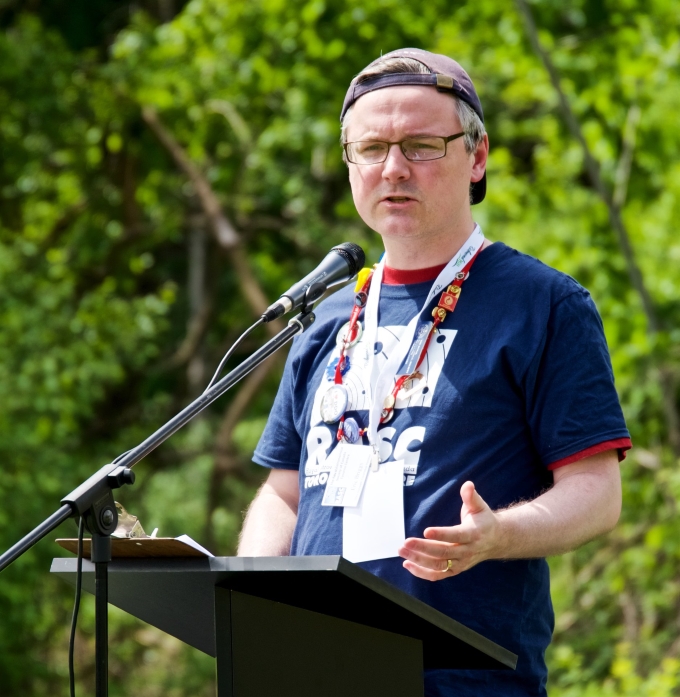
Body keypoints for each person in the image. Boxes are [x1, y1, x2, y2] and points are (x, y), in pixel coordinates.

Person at [237, 48, 631, 696]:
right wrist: (249, 588)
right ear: (349, 165)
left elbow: (596, 491)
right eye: (371, 148)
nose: (393, 168)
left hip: (460, 680)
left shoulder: (543, 306)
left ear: (476, 158)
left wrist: (500, 533)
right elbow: (284, 494)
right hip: (311, 673)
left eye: (421, 145)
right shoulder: (327, 317)